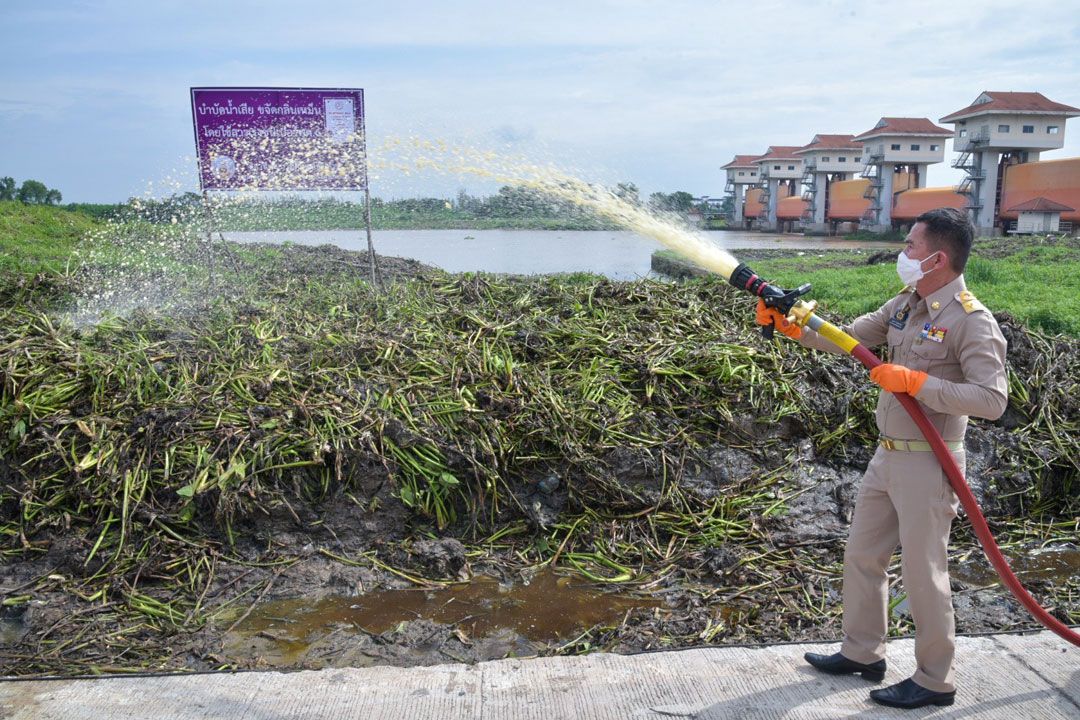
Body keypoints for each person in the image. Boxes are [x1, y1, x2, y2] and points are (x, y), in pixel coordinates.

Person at [756, 207, 1008, 710]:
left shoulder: (970, 320)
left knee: (924, 571)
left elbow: (992, 400)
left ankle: (935, 680)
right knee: (863, 555)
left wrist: (919, 384)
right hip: (887, 456)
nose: (904, 253)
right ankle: (863, 652)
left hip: (930, 465)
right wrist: (789, 327)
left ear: (937, 257)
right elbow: (847, 337)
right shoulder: (904, 305)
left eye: (911, 245)